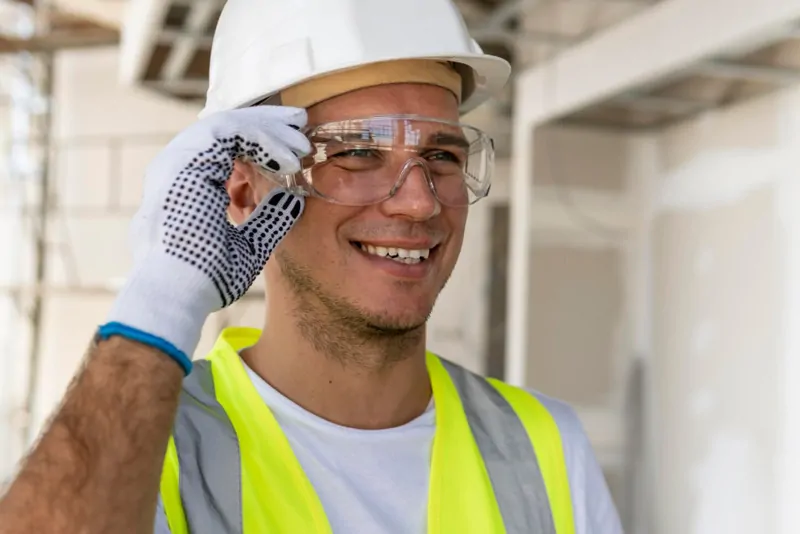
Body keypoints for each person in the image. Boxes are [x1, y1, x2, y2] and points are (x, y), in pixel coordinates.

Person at [0, 0, 623, 533]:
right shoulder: (145, 446)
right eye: (356, 151)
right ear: (242, 190)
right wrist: (161, 296)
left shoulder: (544, 448)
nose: (419, 199)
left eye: (441, 153)